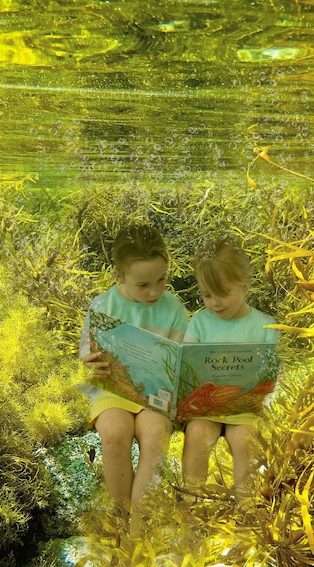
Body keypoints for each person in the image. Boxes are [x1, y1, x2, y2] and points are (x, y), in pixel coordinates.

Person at [79, 223, 188, 529]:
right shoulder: (103, 305)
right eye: (143, 285)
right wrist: (89, 362)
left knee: (155, 437)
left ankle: (138, 527)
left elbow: (180, 360)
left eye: (161, 280)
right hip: (114, 390)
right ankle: (120, 517)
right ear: (119, 276)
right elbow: (86, 354)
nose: (154, 291)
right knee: (114, 435)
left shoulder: (175, 309)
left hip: (156, 392)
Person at [181, 234, 279, 500]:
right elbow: (187, 363)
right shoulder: (200, 322)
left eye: (223, 293)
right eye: (206, 294)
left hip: (245, 408)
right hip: (207, 407)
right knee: (197, 434)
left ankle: (249, 505)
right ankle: (192, 500)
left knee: (245, 440)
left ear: (244, 285)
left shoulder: (265, 325)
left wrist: (265, 399)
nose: (214, 302)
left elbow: (273, 373)